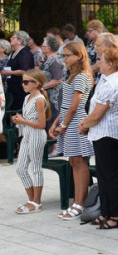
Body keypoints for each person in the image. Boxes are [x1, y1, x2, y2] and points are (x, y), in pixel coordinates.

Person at [78, 47, 118, 229]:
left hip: (108, 132)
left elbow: (98, 114)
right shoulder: (106, 79)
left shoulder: (113, 83)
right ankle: (106, 211)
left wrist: (84, 124)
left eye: (101, 60)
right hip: (101, 132)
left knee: (110, 176)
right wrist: (88, 124)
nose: (98, 63)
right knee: (103, 175)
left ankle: (117, 215)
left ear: (110, 64)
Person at [49, 41, 95, 220]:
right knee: (74, 162)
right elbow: (66, 105)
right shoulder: (72, 75)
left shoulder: (82, 76)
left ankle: (80, 204)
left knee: (79, 163)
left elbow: (75, 106)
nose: (64, 59)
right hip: (69, 121)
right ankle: (76, 202)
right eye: (63, 56)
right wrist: (56, 123)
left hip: (76, 122)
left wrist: (63, 125)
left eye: (67, 56)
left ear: (79, 56)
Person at [13, 70, 50, 214]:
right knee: (20, 168)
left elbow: (41, 125)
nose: (23, 84)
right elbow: (29, 119)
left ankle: (36, 202)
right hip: (27, 135)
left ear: (37, 84)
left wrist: (23, 121)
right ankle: (32, 200)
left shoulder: (39, 99)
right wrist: (20, 120)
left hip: (36, 135)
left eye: (26, 82)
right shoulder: (27, 98)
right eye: (22, 82)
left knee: (36, 168)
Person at [5, 31, 36, 111]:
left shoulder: (25, 53)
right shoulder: (13, 52)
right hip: (12, 87)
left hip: (21, 87)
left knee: (19, 109)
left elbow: (25, 71)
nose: (11, 38)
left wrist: (9, 72)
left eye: (13, 37)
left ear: (20, 41)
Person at [40, 35, 64, 130]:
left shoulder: (55, 60)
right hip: (47, 95)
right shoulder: (46, 59)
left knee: (53, 119)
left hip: (54, 97)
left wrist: (42, 87)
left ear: (48, 48)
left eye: (43, 46)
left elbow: (58, 80)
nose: (41, 47)